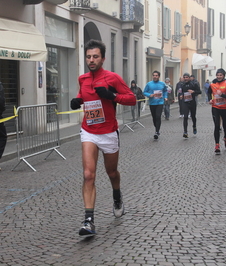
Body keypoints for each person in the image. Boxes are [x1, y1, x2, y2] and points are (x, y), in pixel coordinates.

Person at [70, 39, 136, 236]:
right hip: (89, 131)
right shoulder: (82, 79)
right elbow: (83, 96)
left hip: (108, 132)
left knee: (112, 173)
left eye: (95, 56)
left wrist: (111, 96)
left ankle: (117, 195)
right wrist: (77, 100)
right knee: (88, 174)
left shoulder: (112, 78)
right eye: (89, 56)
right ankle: (88, 221)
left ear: (103, 58)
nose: (91, 60)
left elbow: (132, 99)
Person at [208, 68, 226, 155]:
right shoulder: (212, 84)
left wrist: (222, 95)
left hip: (225, 108)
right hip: (215, 107)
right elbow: (209, 92)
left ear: (223, 75)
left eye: (221, 75)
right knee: (216, 125)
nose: (219, 76)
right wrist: (210, 99)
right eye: (218, 75)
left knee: (225, 125)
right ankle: (217, 145)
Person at [143, 71, 167, 139]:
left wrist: (165, 97)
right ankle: (156, 127)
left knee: (158, 116)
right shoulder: (149, 84)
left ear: (159, 76)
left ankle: (157, 131)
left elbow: (165, 91)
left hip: (160, 102)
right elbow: (144, 92)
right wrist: (149, 95)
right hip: (152, 103)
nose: (155, 76)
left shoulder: (162, 84)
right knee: (154, 117)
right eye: (154, 75)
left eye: (156, 75)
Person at [179, 73, 201, 138]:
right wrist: (181, 95)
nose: (185, 78)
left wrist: (193, 91)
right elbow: (180, 92)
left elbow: (199, 91)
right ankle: (185, 131)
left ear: (189, 78)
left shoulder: (194, 84)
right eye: (184, 77)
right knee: (185, 117)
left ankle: (194, 126)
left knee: (193, 116)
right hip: (185, 102)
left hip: (192, 102)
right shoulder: (182, 84)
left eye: (187, 77)